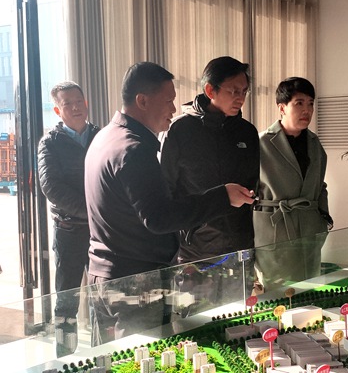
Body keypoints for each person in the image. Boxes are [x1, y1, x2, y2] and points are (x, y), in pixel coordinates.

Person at [84, 62, 255, 345]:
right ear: (142, 101)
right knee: (142, 359)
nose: (174, 109)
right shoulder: (134, 149)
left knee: (110, 359)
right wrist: (222, 196)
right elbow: (159, 217)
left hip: (103, 273)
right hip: (135, 282)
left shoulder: (105, 137)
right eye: (168, 101)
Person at [160, 56, 259, 263]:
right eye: (233, 91)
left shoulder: (247, 132)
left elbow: (253, 181)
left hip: (240, 243)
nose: (240, 98)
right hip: (195, 250)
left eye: (244, 91)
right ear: (210, 90)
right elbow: (166, 190)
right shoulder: (180, 130)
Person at [37, 81, 100, 356]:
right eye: (67, 104)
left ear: (86, 103)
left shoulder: (101, 135)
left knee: (103, 299)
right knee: (66, 303)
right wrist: (93, 210)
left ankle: (103, 358)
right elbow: (52, 188)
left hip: (102, 233)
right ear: (57, 110)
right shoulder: (50, 143)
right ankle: (65, 360)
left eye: (79, 101)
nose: (75, 107)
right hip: (69, 231)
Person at [253, 77, 332, 289]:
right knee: (277, 294)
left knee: (310, 291)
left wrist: (323, 221)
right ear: (282, 107)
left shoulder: (315, 144)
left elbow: (321, 186)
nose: (307, 110)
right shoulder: (261, 143)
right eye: (299, 103)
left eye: (310, 103)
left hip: (309, 228)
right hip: (275, 229)